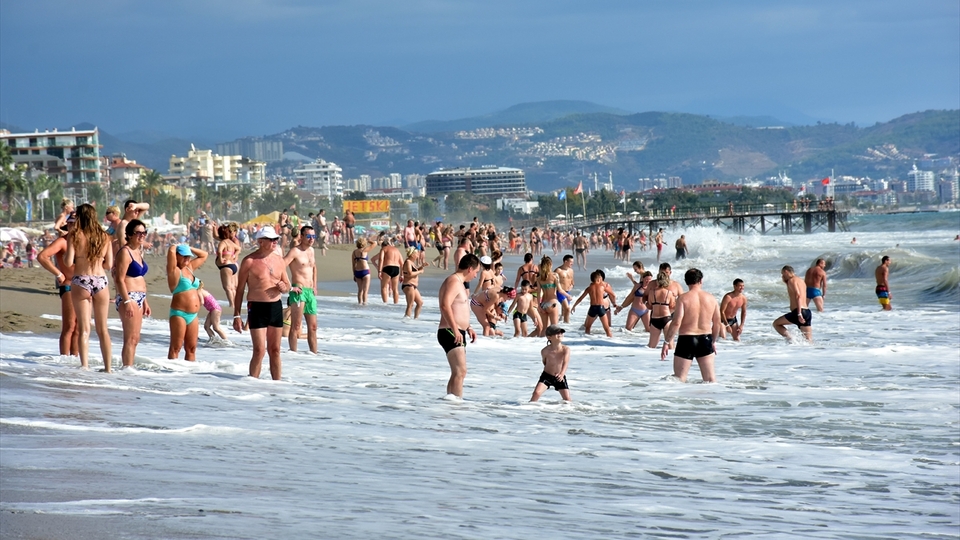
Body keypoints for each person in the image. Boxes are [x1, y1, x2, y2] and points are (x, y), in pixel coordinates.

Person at [233, 228, 291, 380]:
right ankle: (252, 384)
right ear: (260, 241)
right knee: (259, 350)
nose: (275, 242)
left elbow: (287, 284)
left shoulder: (279, 260)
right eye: (271, 239)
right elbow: (239, 290)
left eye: (275, 239)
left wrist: (284, 288)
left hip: (275, 307)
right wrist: (237, 315)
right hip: (257, 307)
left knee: (275, 350)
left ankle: (277, 386)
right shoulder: (249, 261)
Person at [64, 204, 113, 371]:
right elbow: (109, 264)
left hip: (81, 280)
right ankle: (108, 368)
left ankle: (84, 367)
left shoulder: (75, 235)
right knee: (103, 329)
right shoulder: (105, 237)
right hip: (100, 280)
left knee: (84, 329)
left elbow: (68, 262)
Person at [661, 268, 721, 382]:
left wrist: (666, 342)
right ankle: (712, 399)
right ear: (701, 281)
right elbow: (717, 323)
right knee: (710, 380)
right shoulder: (711, 298)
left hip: (686, 339)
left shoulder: (683, 298)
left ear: (686, 281)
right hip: (705, 338)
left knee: (679, 379)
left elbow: (676, 322)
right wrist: (713, 341)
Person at [437, 253, 481, 398]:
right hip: (450, 330)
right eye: (476, 272)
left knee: (457, 372)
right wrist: (456, 329)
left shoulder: (458, 283)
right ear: (469, 269)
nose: (475, 276)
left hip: (456, 330)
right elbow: (445, 306)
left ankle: (450, 401)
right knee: (461, 371)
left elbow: (459, 308)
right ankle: (456, 406)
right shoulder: (454, 281)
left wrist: (468, 327)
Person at [37, 211, 79, 356]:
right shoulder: (63, 241)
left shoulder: (84, 241)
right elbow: (42, 256)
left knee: (80, 328)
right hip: (68, 285)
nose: (72, 225)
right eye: (70, 222)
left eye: (75, 222)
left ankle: (75, 360)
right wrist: (58, 273)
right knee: (69, 326)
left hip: (85, 286)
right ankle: (64, 361)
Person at [114, 219, 152, 368]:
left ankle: (128, 368)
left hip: (140, 298)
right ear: (129, 234)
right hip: (129, 296)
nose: (142, 235)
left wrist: (145, 301)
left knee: (136, 338)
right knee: (130, 338)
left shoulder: (138, 251)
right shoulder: (125, 252)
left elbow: (140, 278)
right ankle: (126, 370)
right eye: (138, 233)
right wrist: (127, 301)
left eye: (144, 233)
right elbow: (119, 279)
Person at [166, 243, 208, 361]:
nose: (187, 259)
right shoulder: (174, 270)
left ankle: (188, 377)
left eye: (188, 256)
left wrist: (189, 248)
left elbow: (204, 255)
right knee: (176, 347)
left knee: (191, 348)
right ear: (177, 256)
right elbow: (170, 252)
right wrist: (175, 246)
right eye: (184, 256)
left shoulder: (189, 267)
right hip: (179, 314)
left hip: (193, 315)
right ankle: (171, 374)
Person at [284, 225, 319, 353]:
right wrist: (289, 286)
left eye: (313, 236)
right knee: (296, 326)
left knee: (313, 327)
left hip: (310, 292)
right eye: (309, 236)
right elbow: (281, 266)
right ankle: (293, 354)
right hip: (299, 292)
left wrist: (315, 285)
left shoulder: (312, 251)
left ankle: (314, 355)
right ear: (302, 236)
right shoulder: (295, 251)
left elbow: (314, 267)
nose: (311, 239)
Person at [530, 325, 572, 402]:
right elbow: (545, 362)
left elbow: (566, 362)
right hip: (547, 376)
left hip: (560, 376)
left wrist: (562, 374)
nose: (560, 334)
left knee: (567, 399)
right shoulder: (545, 351)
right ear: (549, 337)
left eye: (561, 332)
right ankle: (529, 409)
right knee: (536, 393)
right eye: (557, 333)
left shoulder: (565, 349)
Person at [773, 265, 812, 342]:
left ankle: (792, 340)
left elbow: (798, 295)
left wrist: (799, 313)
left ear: (786, 272)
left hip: (798, 312)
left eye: (782, 274)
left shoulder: (792, 280)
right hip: (807, 312)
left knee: (776, 324)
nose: (782, 276)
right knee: (809, 341)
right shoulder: (801, 281)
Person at [572, 270, 616, 337]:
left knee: (588, 327)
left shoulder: (589, 288)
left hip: (592, 308)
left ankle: (586, 342)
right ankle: (611, 342)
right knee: (607, 328)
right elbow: (613, 294)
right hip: (601, 308)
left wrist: (574, 306)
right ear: (598, 279)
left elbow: (580, 298)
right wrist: (614, 303)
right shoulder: (602, 287)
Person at [535, 256, 567, 336]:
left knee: (544, 329)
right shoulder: (554, 275)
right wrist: (568, 296)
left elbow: (539, 293)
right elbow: (560, 290)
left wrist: (538, 306)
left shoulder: (539, 278)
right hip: (552, 304)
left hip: (543, 305)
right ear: (550, 265)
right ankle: (554, 346)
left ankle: (538, 345)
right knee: (554, 327)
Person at [644, 271, 676, 348]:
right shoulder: (669, 293)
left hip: (655, 319)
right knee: (670, 346)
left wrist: (647, 304)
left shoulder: (652, 292)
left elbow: (649, 305)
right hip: (666, 318)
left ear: (657, 280)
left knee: (651, 346)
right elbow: (672, 306)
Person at [216, 223, 242, 308]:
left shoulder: (223, 242)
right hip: (233, 265)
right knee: (233, 287)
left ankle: (232, 304)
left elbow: (220, 251)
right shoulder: (230, 242)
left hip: (225, 266)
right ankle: (234, 303)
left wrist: (220, 259)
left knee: (227, 287)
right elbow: (239, 249)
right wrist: (235, 255)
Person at [373, 234, 403, 304]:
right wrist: (402, 275)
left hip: (387, 267)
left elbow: (381, 259)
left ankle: (385, 304)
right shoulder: (396, 250)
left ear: (383, 246)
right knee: (395, 289)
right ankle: (396, 304)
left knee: (384, 287)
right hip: (396, 269)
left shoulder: (383, 249)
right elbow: (402, 263)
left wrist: (379, 271)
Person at [401, 246, 425, 319]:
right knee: (410, 304)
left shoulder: (411, 262)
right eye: (416, 254)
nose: (417, 255)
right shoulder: (408, 262)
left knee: (420, 303)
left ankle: (415, 319)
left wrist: (422, 266)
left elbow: (415, 270)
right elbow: (410, 274)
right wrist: (420, 271)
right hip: (408, 285)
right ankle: (406, 319)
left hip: (413, 286)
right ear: (412, 254)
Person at [351, 237, 376, 305]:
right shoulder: (365, 250)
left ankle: (359, 304)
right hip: (365, 271)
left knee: (360, 290)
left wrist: (354, 274)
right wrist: (368, 240)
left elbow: (353, 265)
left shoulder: (354, 252)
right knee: (365, 291)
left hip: (357, 272)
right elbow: (375, 243)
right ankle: (364, 304)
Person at [555, 254, 575, 324]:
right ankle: (567, 324)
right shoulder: (558, 270)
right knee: (567, 308)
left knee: (564, 311)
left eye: (573, 262)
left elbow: (572, 282)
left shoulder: (571, 271)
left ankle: (561, 323)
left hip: (568, 292)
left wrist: (571, 287)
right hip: (560, 292)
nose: (572, 263)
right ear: (565, 261)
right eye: (571, 262)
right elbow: (553, 283)